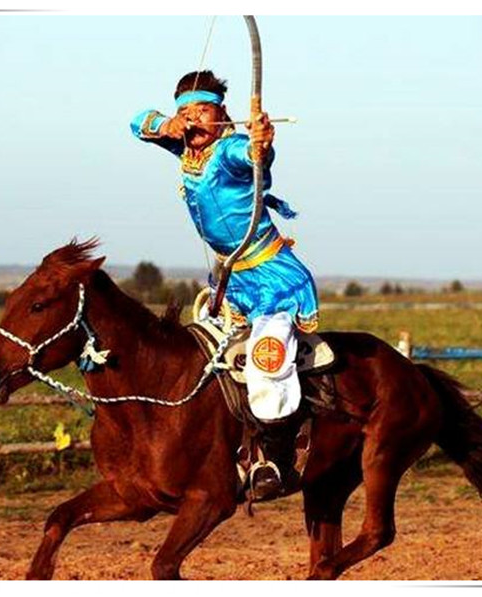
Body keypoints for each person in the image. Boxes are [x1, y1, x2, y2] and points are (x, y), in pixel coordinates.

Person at [130, 70, 319, 499]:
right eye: (186, 112)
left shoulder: (232, 147)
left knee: (266, 360)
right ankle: (224, 451)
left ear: (222, 114)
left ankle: (277, 462)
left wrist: (262, 146)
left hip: (272, 278)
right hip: (229, 281)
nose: (194, 119)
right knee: (208, 364)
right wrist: (165, 124)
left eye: (203, 110)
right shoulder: (182, 144)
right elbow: (136, 121)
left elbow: (253, 161)